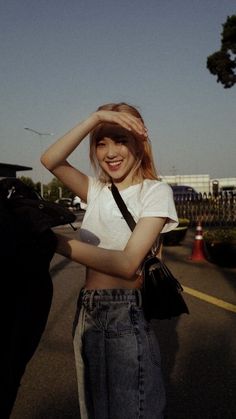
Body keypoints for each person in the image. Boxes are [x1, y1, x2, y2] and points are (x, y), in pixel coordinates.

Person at [41, 102, 178, 419]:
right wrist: (94, 119)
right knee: (93, 410)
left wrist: (53, 242)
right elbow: (50, 159)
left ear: (140, 143)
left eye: (120, 140)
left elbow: (127, 263)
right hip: (87, 310)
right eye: (100, 142)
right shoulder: (97, 190)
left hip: (125, 311)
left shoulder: (155, 192)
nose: (110, 152)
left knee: (133, 411)